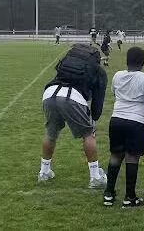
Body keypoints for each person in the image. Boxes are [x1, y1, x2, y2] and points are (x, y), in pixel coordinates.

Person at [39, 44, 108, 188]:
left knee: (51, 133)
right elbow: (98, 101)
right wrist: (93, 119)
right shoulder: (98, 71)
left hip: (49, 93)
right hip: (72, 97)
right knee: (88, 135)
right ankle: (95, 177)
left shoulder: (66, 64)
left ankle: (44, 172)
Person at [102, 47, 144, 208]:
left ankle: (109, 194)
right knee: (132, 157)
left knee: (115, 155)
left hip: (116, 119)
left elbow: (115, 94)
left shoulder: (117, 75)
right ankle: (129, 197)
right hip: (136, 122)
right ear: (142, 62)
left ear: (127, 60)